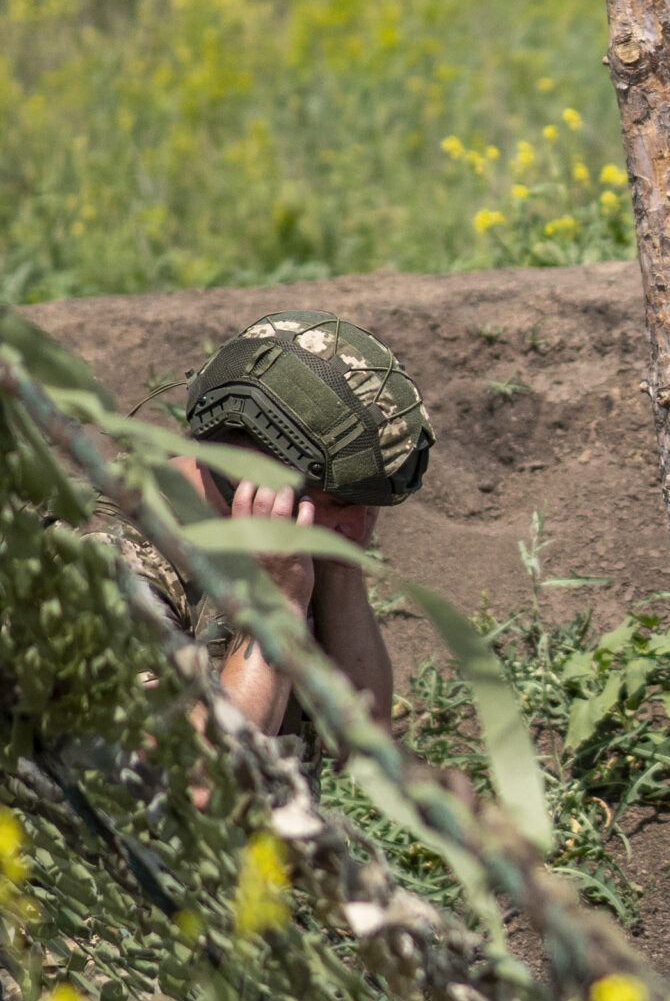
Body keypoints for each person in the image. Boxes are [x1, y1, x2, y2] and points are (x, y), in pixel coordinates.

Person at [103, 309, 434, 745]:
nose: (356, 530)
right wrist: (278, 603)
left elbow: (366, 741)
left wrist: (338, 570)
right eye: (339, 502)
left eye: (367, 509)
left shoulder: (286, 542)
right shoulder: (106, 555)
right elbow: (198, 785)